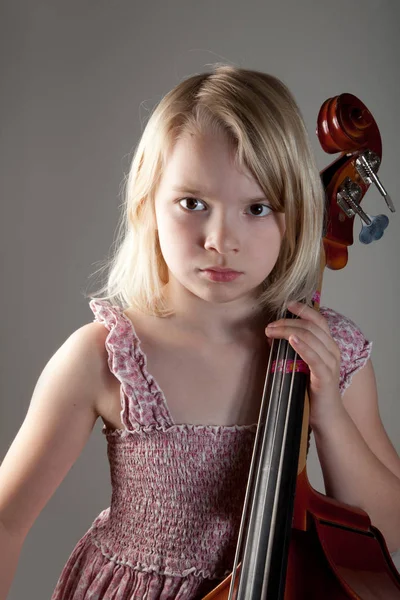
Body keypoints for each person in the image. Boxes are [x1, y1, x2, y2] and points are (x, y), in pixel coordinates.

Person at [1, 65, 400, 600]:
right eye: (193, 204)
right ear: (148, 204)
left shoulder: (330, 354)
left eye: (257, 208)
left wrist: (328, 415)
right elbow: (5, 522)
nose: (220, 240)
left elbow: (387, 533)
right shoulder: (106, 357)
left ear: (297, 216)